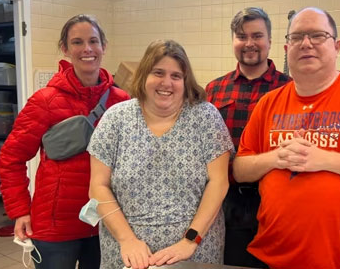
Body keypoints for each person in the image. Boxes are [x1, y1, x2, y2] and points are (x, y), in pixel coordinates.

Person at [233, 7, 340, 269]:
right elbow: (240, 169)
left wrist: (322, 159)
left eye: (317, 36)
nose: (306, 44)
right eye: (297, 37)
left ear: (336, 46)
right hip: (269, 257)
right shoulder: (269, 103)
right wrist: (276, 158)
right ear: (285, 48)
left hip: (335, 259)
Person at [0, 14, 130, 269]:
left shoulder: (121, 100)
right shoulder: (45, 101)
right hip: (56, 226)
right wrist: (20, 211)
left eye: (93, 41)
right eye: (77, 42)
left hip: (108, 221)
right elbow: (11, 158)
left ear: (104, 45)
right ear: (65, 49)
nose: (87, 49)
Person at [87, 39, 233, 269]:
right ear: (144, 75)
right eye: (158, 72)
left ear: (185, 81)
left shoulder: (205, 117)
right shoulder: (116, 119)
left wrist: (190, 240)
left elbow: (219, 183)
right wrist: (128, 240)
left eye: (176, 76)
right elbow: (98, 186)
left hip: (195, 252)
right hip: (127, 254)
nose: (167, 82)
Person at [205, 7, 290, 268]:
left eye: (257, 36)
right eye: (242, 36)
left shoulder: (290, 88)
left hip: (276, 201)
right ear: (233, 41)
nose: (250, 43)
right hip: (226, 201)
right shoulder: (215, 89)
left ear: (270, 42)